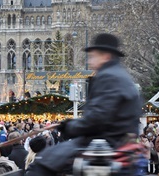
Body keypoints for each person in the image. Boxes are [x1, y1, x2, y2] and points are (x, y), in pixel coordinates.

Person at [25, 33, 142, 176]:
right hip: (117, 142)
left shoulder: (108, 76)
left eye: (92, 56)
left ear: (105, 56)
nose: (89, 60)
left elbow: (97, 119)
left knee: (42, 162)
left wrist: (69, 126)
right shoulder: (122, 76)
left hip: (105, 144)